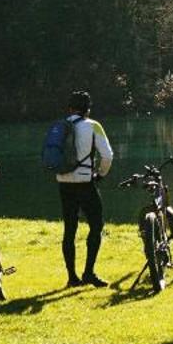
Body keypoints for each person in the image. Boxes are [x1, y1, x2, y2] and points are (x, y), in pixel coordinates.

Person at [55, 89, 115, 287]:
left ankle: (72, 277)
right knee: (96, 226)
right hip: (85, 182)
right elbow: (107, 156)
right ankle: (89, 272)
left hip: (64, 181)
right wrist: (100, 174)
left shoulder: (61, 126)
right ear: (88, 109)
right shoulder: (93, 126)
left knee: (69, 229)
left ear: (70, 108)